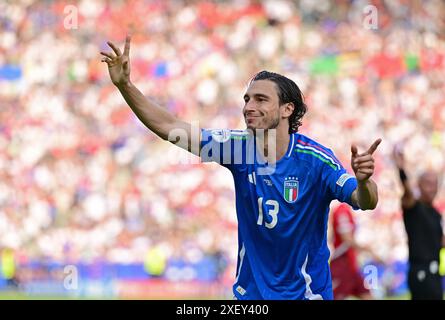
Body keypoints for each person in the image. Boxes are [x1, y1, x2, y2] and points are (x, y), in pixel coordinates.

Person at [100, 36, 381, 300]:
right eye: (247, 99)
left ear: (287, 109)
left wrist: (365, 181)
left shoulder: (316, 160)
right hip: (250, 297)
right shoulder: (238, 148)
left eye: (261, 99)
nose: (248, 106)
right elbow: (170, 127)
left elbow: (363, 201)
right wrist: (125, 86)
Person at [393, 146, 444, 300]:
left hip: (435, 272)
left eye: (434, 184)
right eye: (428, 183)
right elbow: (407, 193)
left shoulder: (435, 213)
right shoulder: (414, 207)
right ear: (419, 184)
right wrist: (401, 171)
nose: (432, 188)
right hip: (420, 270)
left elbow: (439, 241)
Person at [330, 203, 382, 300]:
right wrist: (369, 251)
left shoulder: (345, 210)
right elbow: (347, 239)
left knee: (367, 296)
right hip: (342, 265)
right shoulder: (341, 210)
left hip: (350, 265)